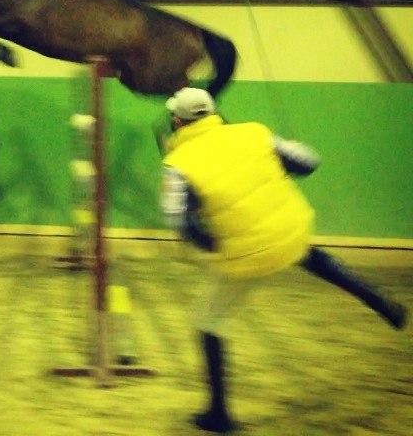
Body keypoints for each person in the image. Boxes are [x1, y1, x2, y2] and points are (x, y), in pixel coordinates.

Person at [160, 87, 407, 433]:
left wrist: (214, 245)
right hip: (290, 229)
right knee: (308, 254)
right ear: (213, 113)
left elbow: (179, 221)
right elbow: (308, 161)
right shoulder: (253, 133)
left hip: (245, 253)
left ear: (176, 122)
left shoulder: (177, 165)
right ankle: (380, 301)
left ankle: (219, 414)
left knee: (207, 321)